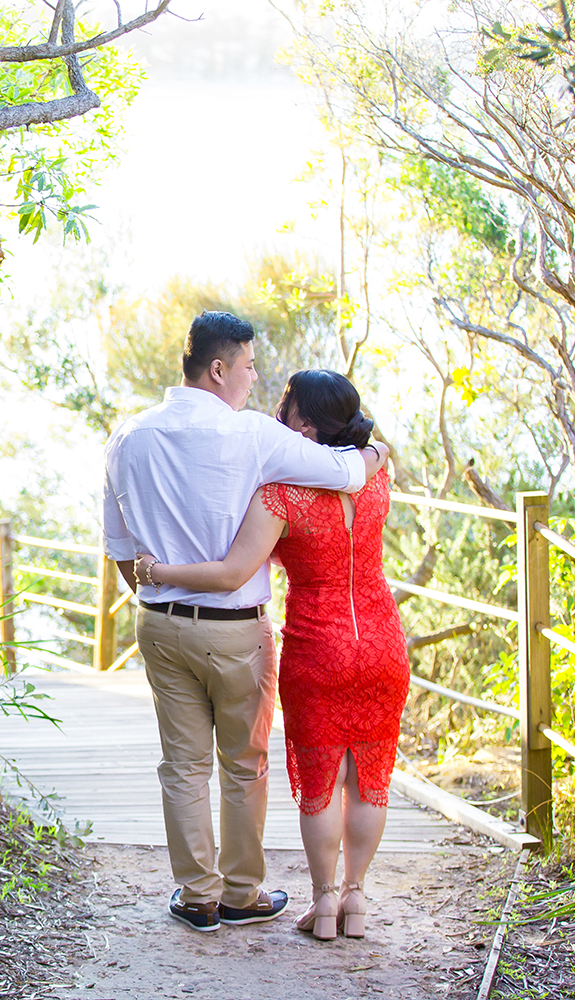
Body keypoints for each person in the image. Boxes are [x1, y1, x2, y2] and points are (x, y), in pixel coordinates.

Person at [102, 312, 389, 933]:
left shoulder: (127, 438)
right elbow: (344, 471)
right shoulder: (254, 435)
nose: (256, 380)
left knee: (182, 765)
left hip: (160, 625)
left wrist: (158, 587)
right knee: (244, 763)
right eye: (251, 366)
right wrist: (376, 449)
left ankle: (196, 896)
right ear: (219, 368)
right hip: (238, 628)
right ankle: (241, 893)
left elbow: (122, 550)